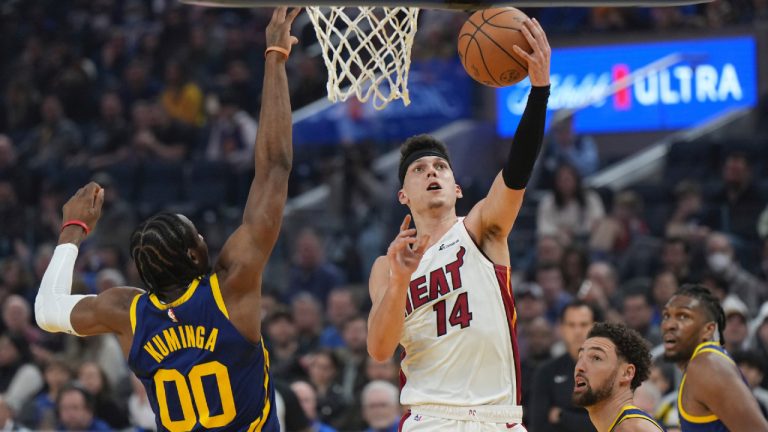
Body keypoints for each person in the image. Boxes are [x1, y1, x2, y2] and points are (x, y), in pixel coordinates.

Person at [33, 8, 301, 431]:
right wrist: (274, 56)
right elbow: (274, 168)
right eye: (197, 234)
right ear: (198, 253)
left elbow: (46, 311)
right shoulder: (230, 288)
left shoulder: (128, 311)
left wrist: (73, 231)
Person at [367, 17, 551, 431]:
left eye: (440, 167)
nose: (431, 172)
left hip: (499, 417)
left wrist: (539, 92)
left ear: (457, 189)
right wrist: (399, 280)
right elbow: (379, 349)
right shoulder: (387, 265)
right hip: (430, 417)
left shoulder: (481, 228)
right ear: (403, 196)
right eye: (419, 169)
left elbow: (517, 172)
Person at [661, 284, 768, 431]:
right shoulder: (701, 365)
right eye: (666, 316)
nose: (669, 325)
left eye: (683, 316)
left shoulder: (707, 366)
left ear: (708, 330)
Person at [573, 322, 664, 432]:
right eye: (580, 357)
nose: (580, 367)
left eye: (596, 358)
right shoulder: (621, 426)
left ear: (627, 373)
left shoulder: (633, 428)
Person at [530, 301, 598, 432]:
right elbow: (538, 425)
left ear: (595, 327)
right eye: (571, 325)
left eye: (583, 324)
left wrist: (562, 416)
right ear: (561, 328)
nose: (577, 331)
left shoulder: (609, 370)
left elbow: (612, 423)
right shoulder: (546, 372)